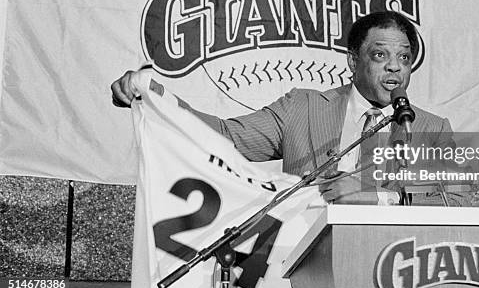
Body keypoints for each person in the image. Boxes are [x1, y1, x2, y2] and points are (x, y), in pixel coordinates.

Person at [111, 11, 454, 204]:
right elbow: (227, 137)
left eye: (405, 57)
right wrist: (156, 98)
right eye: (381, 55)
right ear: (353, 61)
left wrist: (377, 198)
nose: (395, 67)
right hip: (303, 273)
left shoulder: (431, 129)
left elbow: (459, 201)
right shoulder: (302, 108)